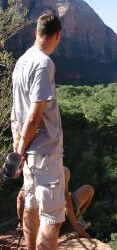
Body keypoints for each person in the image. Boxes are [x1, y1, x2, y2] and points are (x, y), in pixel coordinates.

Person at [11, 13, 64, 250]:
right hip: (45, 153)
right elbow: (33, 115)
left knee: (31, 206)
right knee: (52, 219)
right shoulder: (44, 63)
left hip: (29, 154)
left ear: (36, 32)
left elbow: (16, 112)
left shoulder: (21, 61)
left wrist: (18, 147)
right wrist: (21, 150)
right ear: (57, 36)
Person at [17, 166, 94, 238]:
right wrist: (76, 226)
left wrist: (21, 223)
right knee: (89, 189)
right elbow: (67, 204)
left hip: (38, 218)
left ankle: (75, 219)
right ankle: (74, 222)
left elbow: (20, 198)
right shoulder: (63, 171)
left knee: (88, 189)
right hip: (55, 218)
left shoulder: (33, 170)